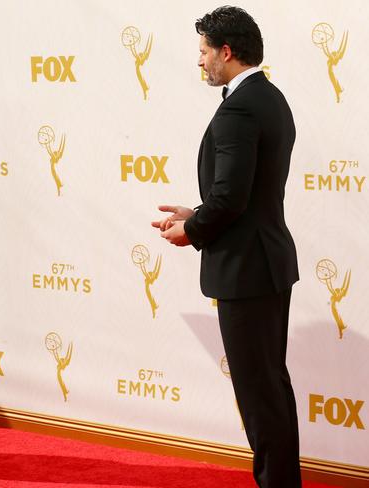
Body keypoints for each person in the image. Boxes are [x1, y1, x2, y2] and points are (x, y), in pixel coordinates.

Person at [151, 6, 301, 487]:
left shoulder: (239, 105)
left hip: (247, 269)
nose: (199, 61)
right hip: (267, 262)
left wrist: (193, 231)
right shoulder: (270, 97)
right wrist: (197, 214)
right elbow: (247, 195)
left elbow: (232, 197)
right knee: (271, 389)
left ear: (226, 51)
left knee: (260, 396)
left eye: (203, 51)